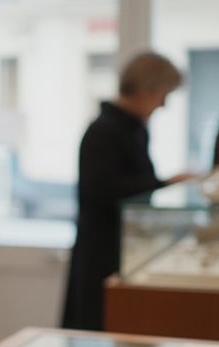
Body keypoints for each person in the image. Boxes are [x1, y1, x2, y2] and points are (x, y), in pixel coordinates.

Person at [61, 51, 192, 331]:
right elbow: (107, 192)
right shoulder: (104, 131)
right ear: (146, 90)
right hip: (103, 253)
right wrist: (166, 183)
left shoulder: (133, 129)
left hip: (126, 247)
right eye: (162, 96)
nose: (163, 105)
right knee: (98, 329)